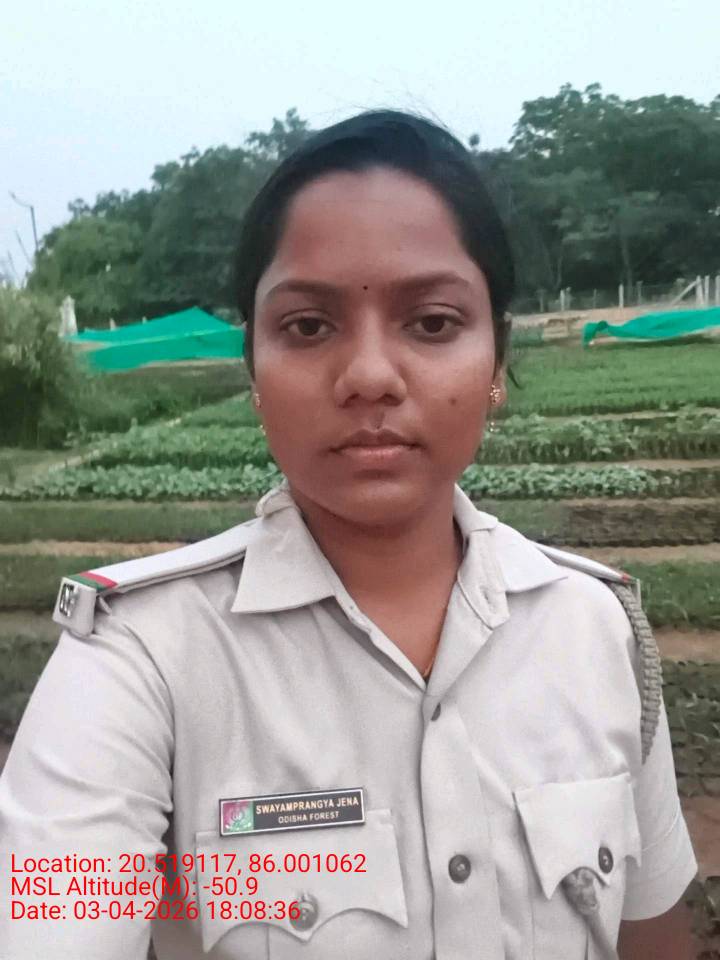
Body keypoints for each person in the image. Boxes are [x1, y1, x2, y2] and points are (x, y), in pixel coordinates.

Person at [0, 110, 697, 960]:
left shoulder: (596, 630)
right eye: (308, 326)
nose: (369, 375)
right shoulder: (135, 661)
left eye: (432, 323)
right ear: (254, 372)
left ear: (496, 362)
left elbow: (654, 933)